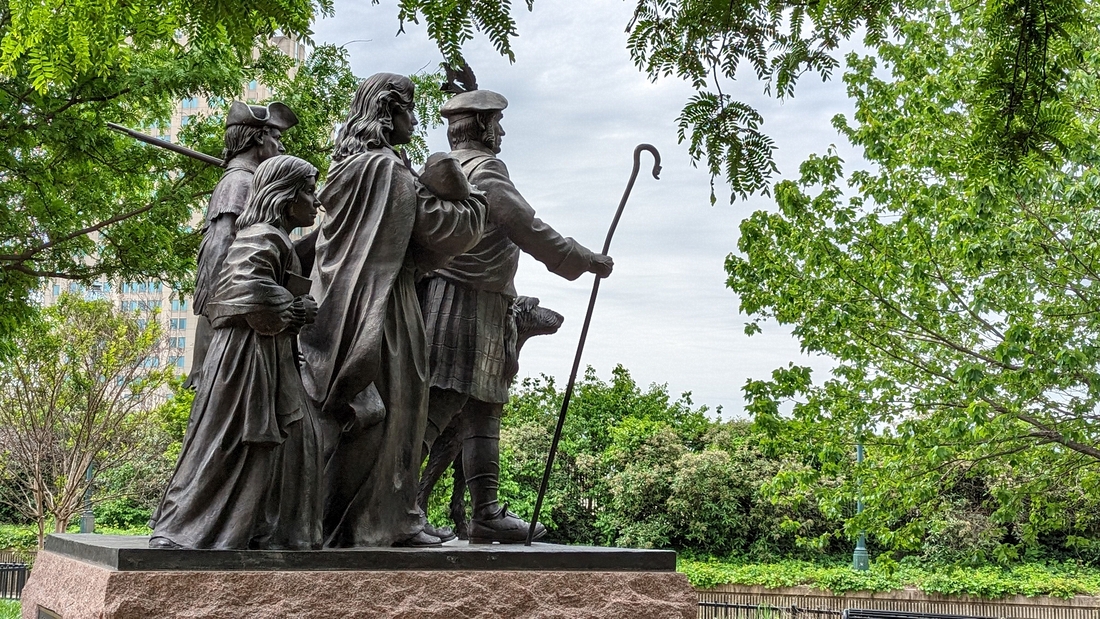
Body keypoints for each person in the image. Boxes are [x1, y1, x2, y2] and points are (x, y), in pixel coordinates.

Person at [297, 73, 487, 548]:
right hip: (385, 308)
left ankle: (333, 519)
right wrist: (472, 200)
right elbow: (439, 229)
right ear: (388, 111)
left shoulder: (349, 169)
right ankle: (384, 522)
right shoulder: (386, 171)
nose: (415, 119)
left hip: (337, 304)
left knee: (362, 418)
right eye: (410, 109)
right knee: (399, 409)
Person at [417, 88, 613, 544]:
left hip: (482, 302)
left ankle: (485, 512)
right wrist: (586, 260)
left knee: (485, 408)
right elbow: (525, 225)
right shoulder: (485, 170)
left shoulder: (452, 166)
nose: (502, 132)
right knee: (440, 404)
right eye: (497, 124)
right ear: (482, 127)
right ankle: (401, 502)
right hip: (462, 302)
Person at [150, 155, 321, 550]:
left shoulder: (274, 238)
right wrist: (292, 308)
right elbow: (238, 289)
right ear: (284, 195)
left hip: (266, 356)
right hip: (246, 362)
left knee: (292, 442)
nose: (316, 201)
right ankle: (185, 531)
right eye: (309, 191)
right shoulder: (263, 236)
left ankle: (266, 529)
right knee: (228, 444)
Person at [186, 101, 298, 389]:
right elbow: (220, 259)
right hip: (233, 332)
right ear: (260, 137)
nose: (281, 148)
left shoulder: (252, 183)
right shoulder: (240, 184)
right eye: (277, 138)